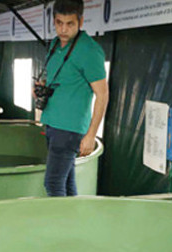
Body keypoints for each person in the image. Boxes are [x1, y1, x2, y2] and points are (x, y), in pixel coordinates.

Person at [36, 0, 108, 196]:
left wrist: (91, 134)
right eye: (59, 23)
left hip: (70, 128)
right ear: (53, 21)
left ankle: (61, 225)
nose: (63, 29)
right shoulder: (53, 45)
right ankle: (73, 221)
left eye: (70, 24)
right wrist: (42, 88)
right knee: (66, 181)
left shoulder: (90, 51)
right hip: (52, 122)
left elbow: (103, 94)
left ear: (81, 21)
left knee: (52, 183)